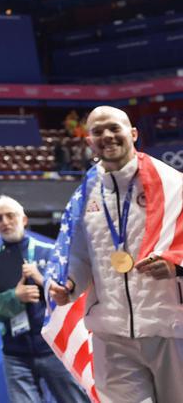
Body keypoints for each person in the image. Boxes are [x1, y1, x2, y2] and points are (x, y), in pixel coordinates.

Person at [49, 106, 183, 402]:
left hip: (169, 329)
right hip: (111, 332)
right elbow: (80, 254)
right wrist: (69, 284)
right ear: (88, 141)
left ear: (133, 133)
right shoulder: (85, 194)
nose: (107, 136)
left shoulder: (173, 184)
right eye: (97, 131)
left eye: (114, 128)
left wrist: (178, 267)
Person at [0, 196, 89, 403]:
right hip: (15, 354)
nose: (5, 222)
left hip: (55, 347)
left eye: (10, 216)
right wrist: (14, 297)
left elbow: (74, 295)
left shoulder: (50, 252)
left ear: (24, 219)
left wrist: (42, 279)